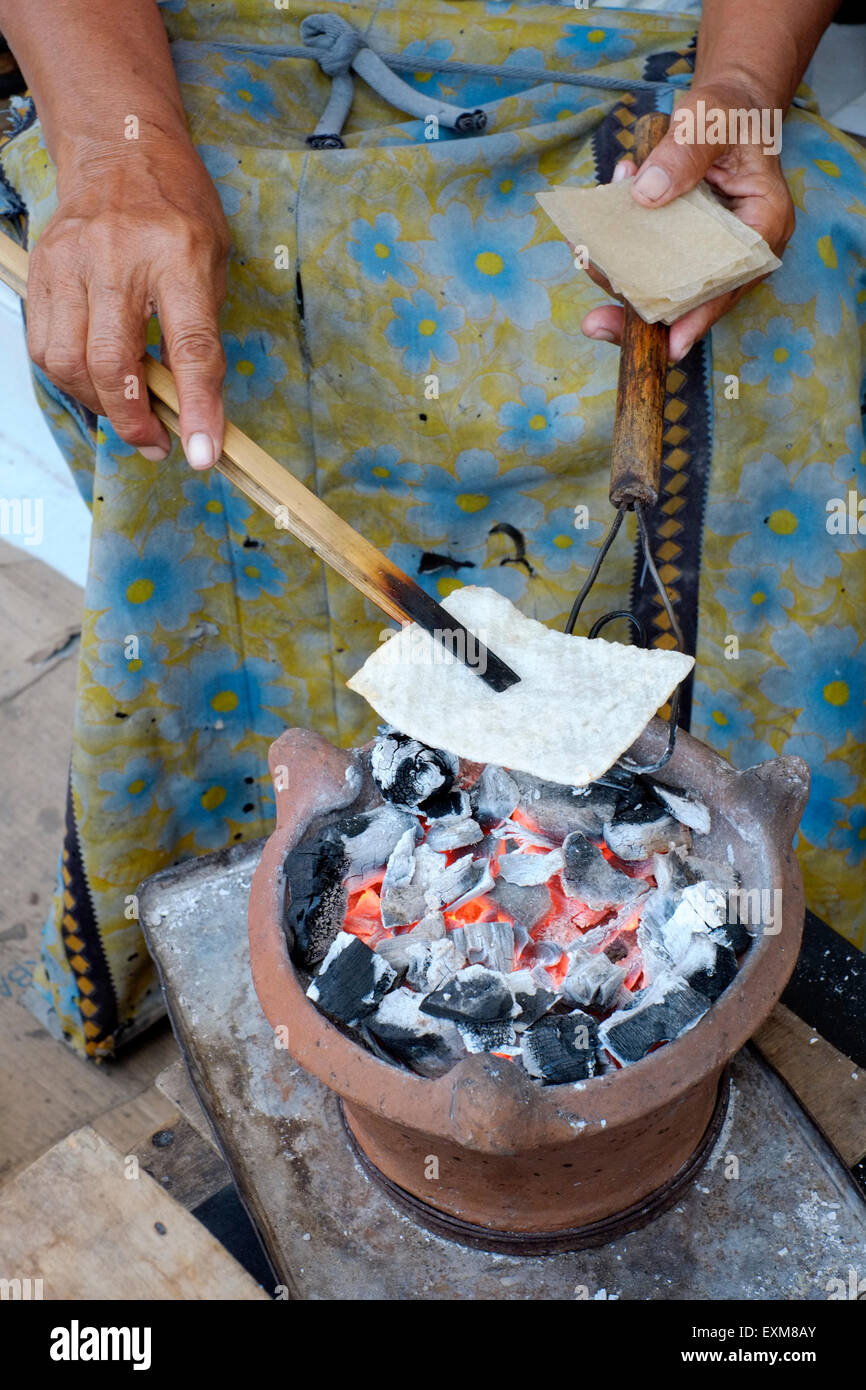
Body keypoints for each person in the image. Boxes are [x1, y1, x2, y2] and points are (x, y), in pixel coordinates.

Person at [0, 0, 862, 1058]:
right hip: (197, 50)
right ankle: (255, 894)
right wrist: (112, 153)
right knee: (178, 289)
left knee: (810, 258)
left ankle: (746, 905)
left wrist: (739, 88)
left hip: (621, 37)